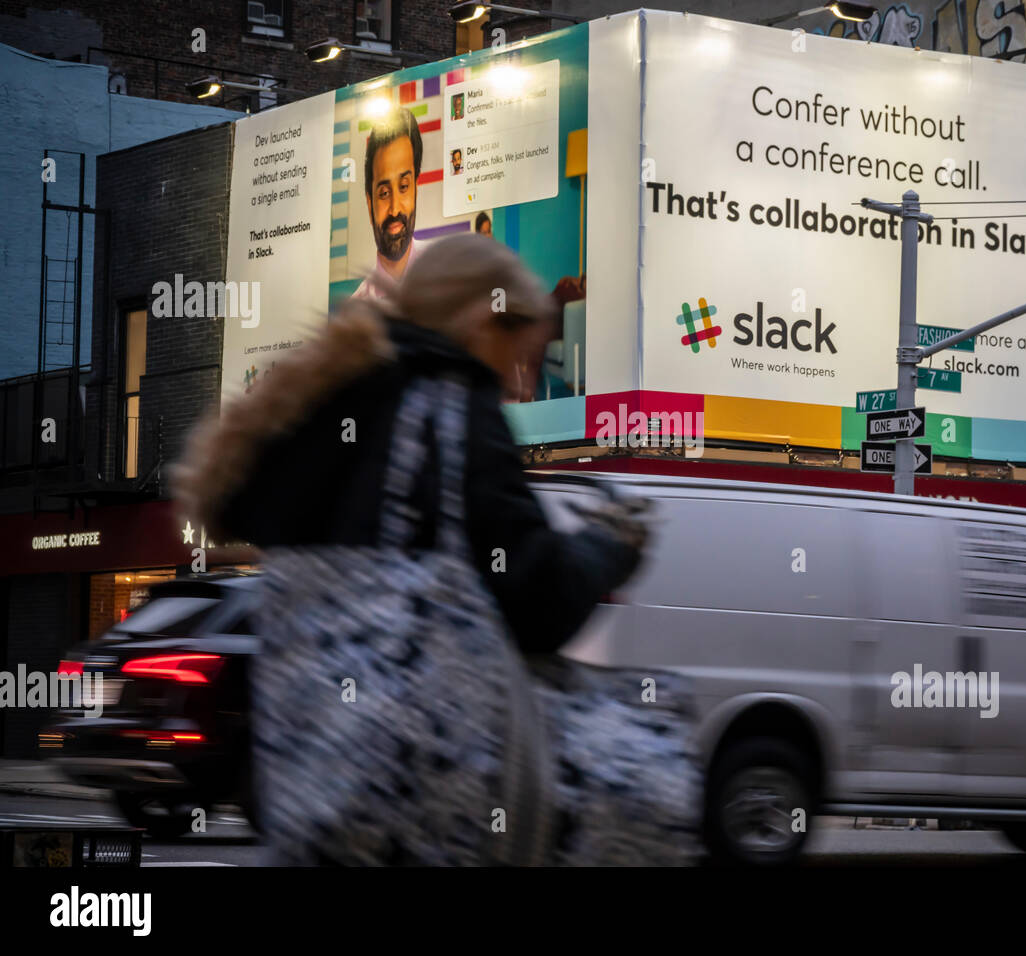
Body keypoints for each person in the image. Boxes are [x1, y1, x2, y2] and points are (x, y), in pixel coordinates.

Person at [172, 235, 701, 865]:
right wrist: (611, 542)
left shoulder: (322, 411)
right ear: (484, 322)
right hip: (432, 801)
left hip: (321, 788)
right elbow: (539, 604)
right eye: (519, 357)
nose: (515, 383)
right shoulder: (452, 409)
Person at [352, 106, 429, 299]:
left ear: (416, 190)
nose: (395, 209)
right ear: (370, 205)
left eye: (403, 187)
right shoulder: (358, 312)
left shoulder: (449, 276)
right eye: (384, 193)